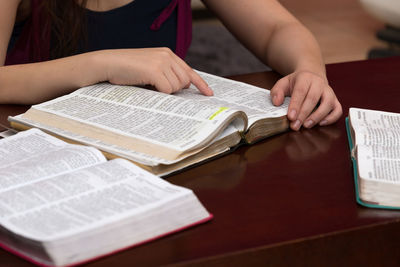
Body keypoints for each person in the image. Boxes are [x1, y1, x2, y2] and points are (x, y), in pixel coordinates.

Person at [0, 0, 342, 131]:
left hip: (157, 143)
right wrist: (102, 64)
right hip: (38, 143)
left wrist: (309, 70)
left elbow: (277, 29)